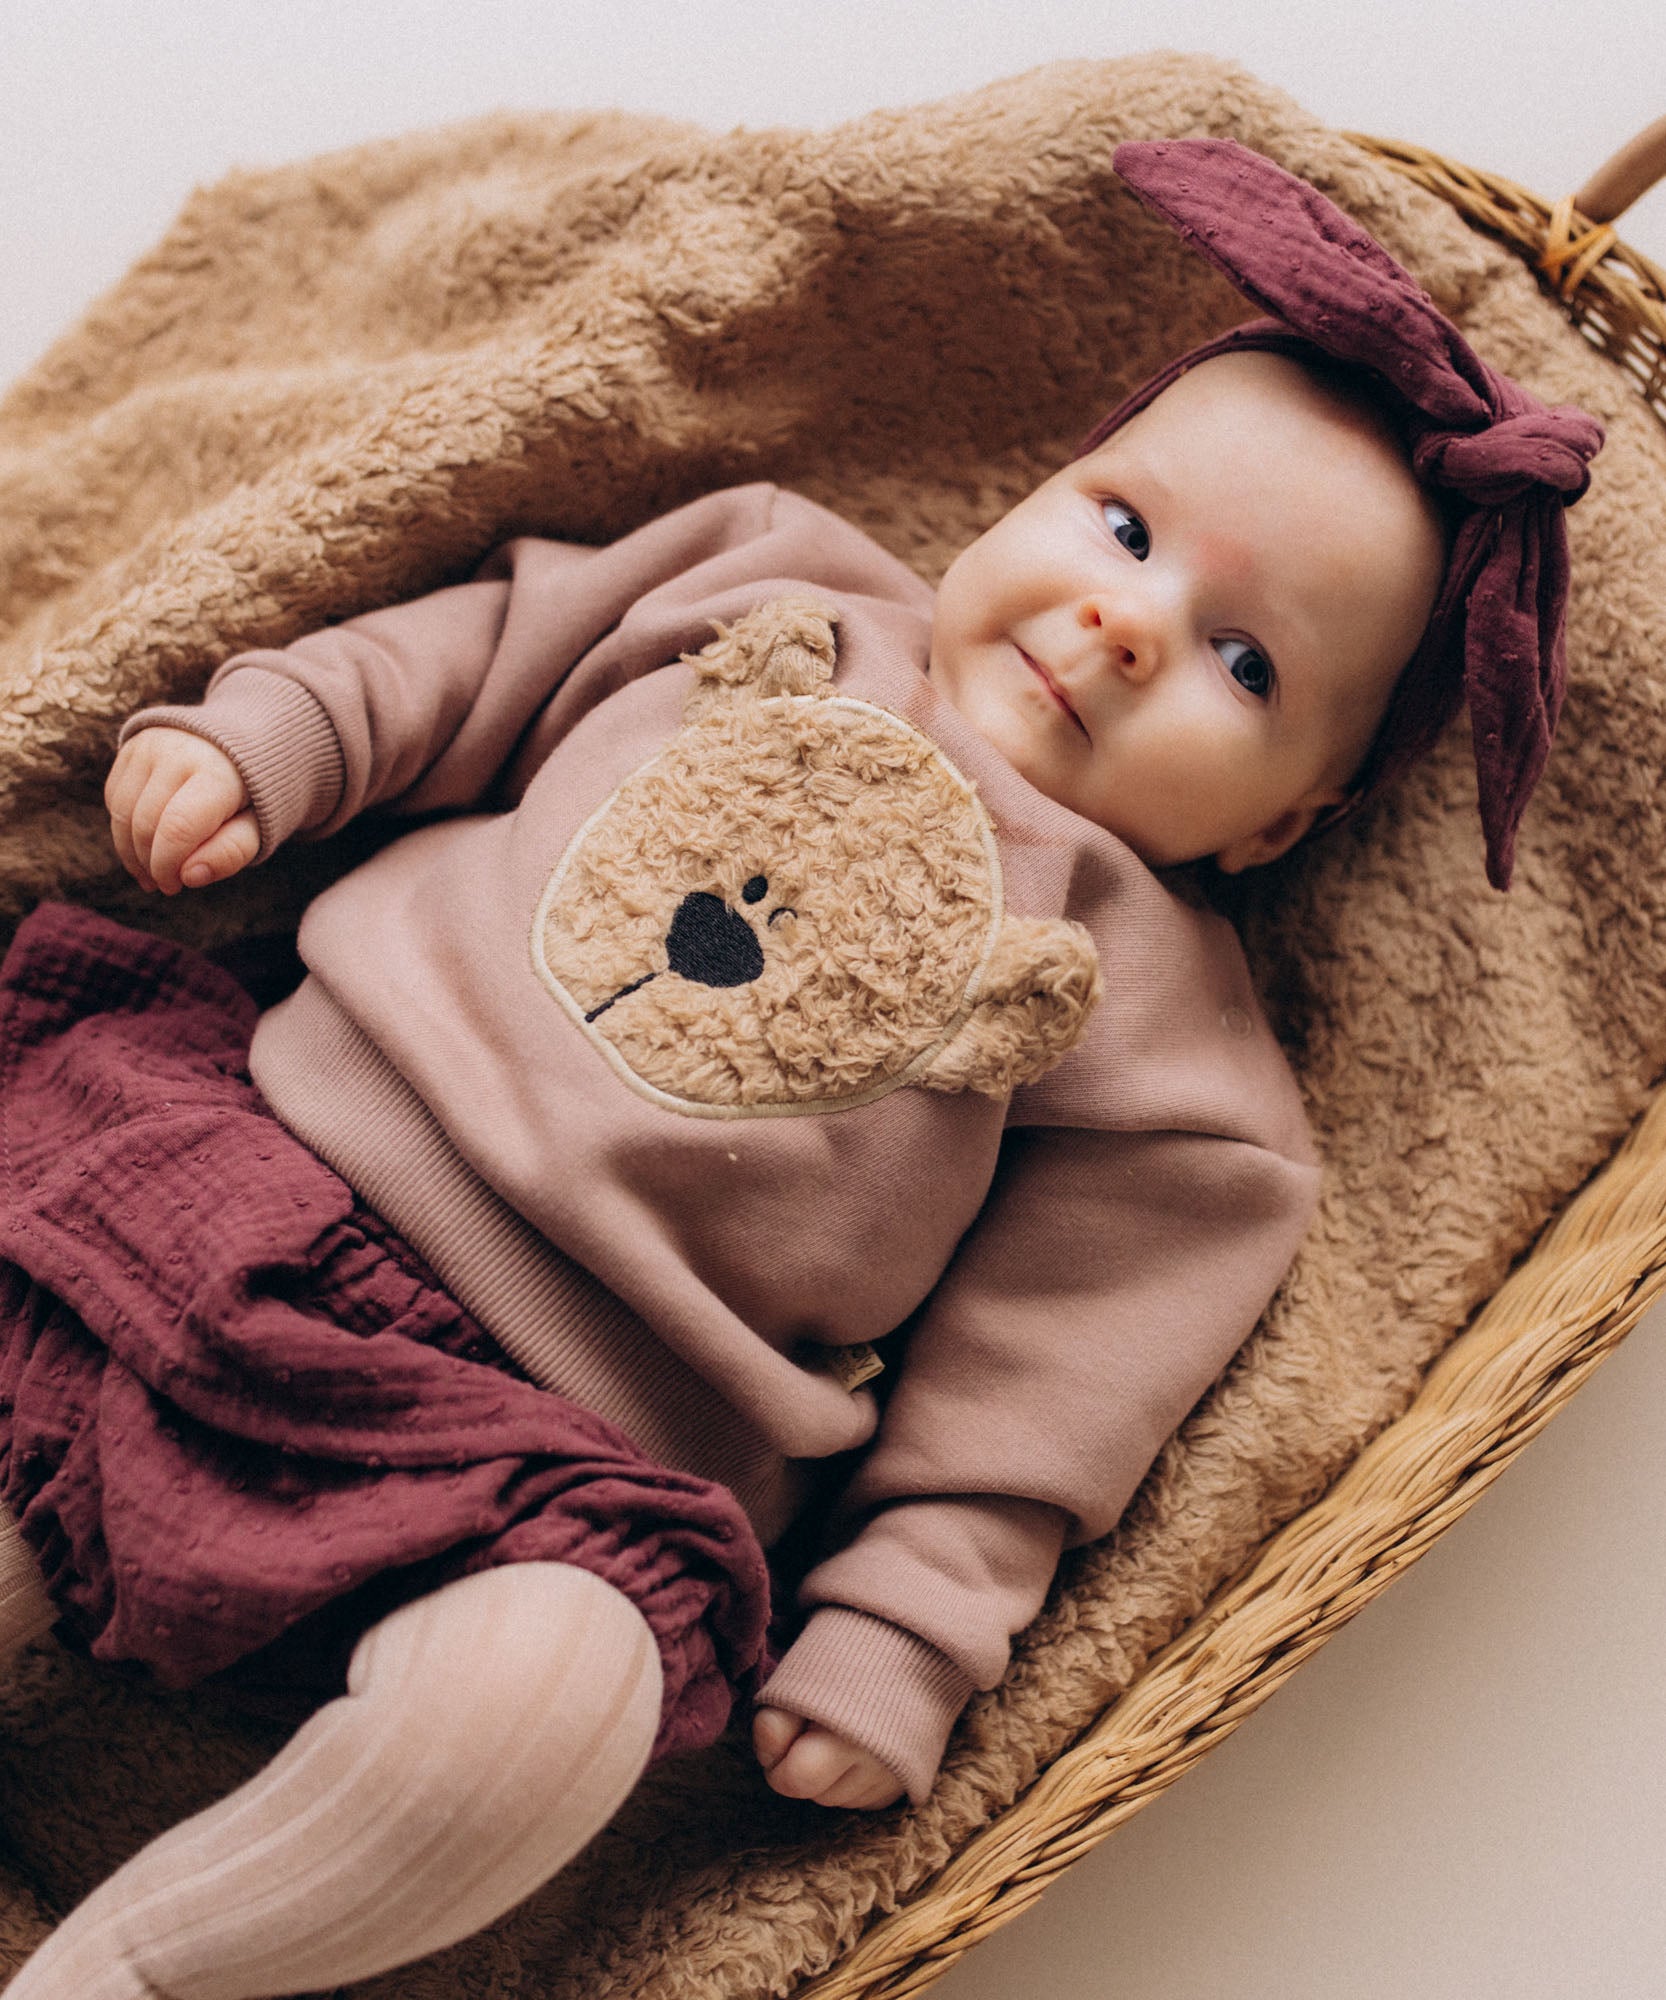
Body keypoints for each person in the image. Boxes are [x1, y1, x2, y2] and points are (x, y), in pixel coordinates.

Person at [0, 138, 1601, 1998]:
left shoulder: (1174, 1041)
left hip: (543, 1453)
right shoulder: (776, 577)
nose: (1123, 622)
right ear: (1028, 493)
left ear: (1278, 827)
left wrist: (908, 1628)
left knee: (558, 1692)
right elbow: (482, 657)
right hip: (230, 1188)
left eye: (1239, 665)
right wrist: (274, 735)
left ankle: (132, 1969)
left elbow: (1047, 1396)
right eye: (1123, 527)